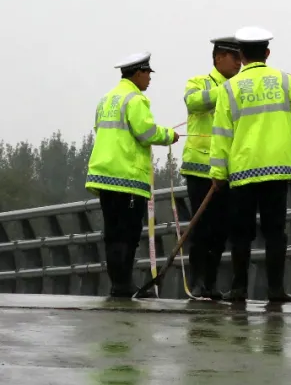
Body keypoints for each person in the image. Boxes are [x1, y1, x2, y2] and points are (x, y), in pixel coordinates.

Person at [210, 26, 291, 303]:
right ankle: (276, 290)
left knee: (241, 234)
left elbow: (221, 135)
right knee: (275, 232)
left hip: (243, 171)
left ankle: (239, 289)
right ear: (267, 53)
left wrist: (217, 174)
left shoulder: (228, 89)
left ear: (241, 55)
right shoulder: (287, 82)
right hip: (277, 169)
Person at [86, 52, 179, 298]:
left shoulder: (106, 99)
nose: (149, 79)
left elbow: (100, 129)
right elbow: (146, 132)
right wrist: (169, 135)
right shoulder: (135, 100)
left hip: (104, 176)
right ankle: (123, 285)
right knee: (127, 234)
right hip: (127, 177)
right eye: (148, 74)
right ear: (138, 72)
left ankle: (118, 284)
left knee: (113, 232)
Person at [180, 35, 242, 300]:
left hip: (229, 169)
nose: (239, 63)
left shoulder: (240, 87)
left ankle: (212, 283)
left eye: (242, 57)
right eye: (234, 57)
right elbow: (194, 102)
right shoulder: (199, 82)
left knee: (221, 230)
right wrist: (233, 89)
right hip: (200, 168)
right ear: (218, 57)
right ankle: (197, 283)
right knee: (201, 229)